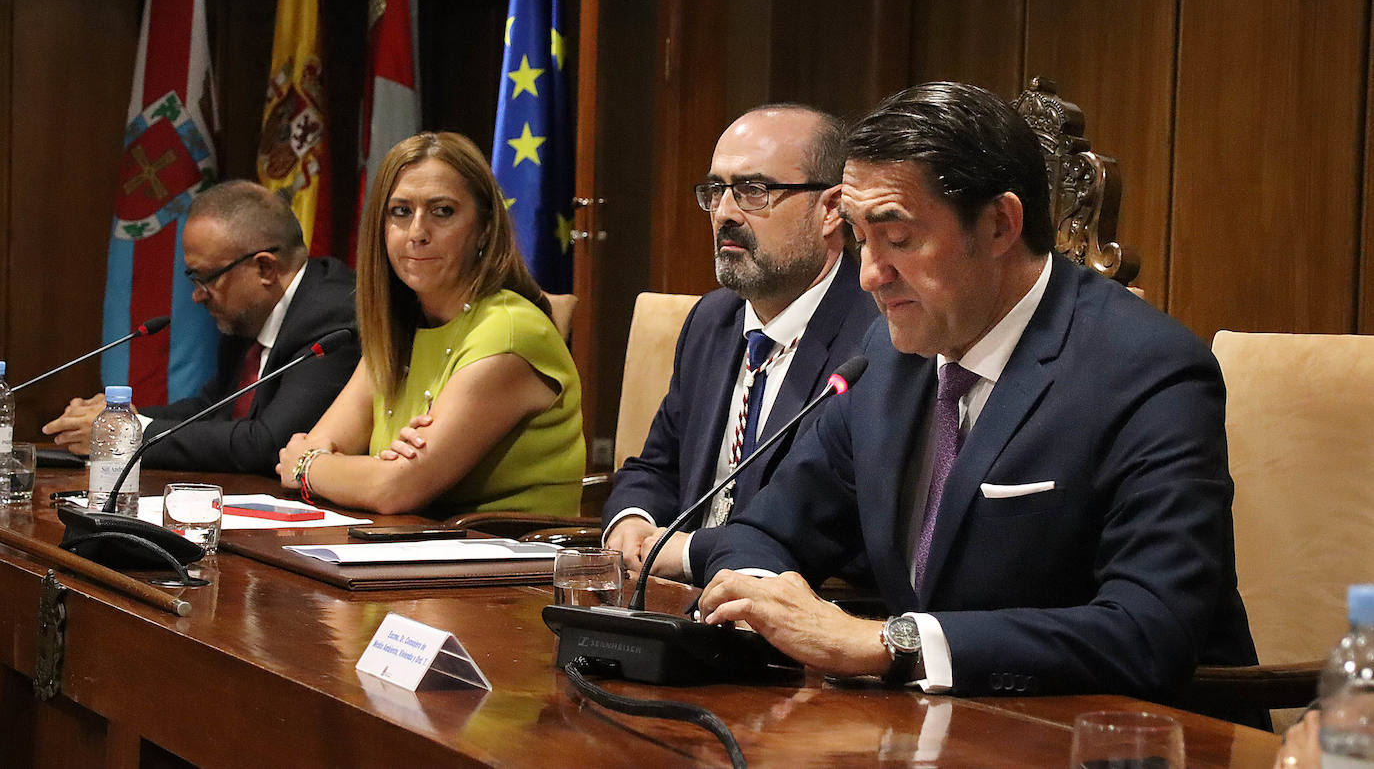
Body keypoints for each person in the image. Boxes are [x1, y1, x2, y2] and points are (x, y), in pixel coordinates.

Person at [697, 82, 1262, 724]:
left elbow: (1148, 629)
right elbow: (765, 529)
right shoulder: (886, 357)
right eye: (859, 240)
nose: (870, 274)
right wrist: (768, 601)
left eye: (899, 239)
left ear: (999, 224)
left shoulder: (1147, 371)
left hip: (1121, 740)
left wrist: (889, 642)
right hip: (934, 731)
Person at [601, 105, 879, 584]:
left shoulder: (877, 337)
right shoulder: (712, 320)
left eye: (754, 191)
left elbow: (851, 527)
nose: (725, 213)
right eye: (716, 191)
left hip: (788, 608)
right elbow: (656, 465)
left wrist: (689, 551)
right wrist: (633, 520)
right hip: (670, 601)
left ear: (832, 209)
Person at [276, 131, 584, 517]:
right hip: (415, 549)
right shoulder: (403, 326)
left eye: (442, 211)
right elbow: (324, 442)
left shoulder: (508, 332)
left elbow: (392, 489)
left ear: (485, 227)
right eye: (401, 212)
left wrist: (313, 467)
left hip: (507, 560)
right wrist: (353, 470)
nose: (418, 233)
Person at [42, 181, 358, 474]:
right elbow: (212, 408)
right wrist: (120, 418)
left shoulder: (332, 317)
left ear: (264, 267)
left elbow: (271, 443)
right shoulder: (249, 315)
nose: (196, 295)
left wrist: (129, 434)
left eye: (205, 277)